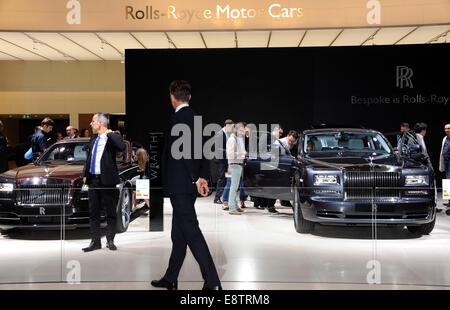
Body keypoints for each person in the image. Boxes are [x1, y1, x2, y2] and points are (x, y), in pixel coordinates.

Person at [151, 80, 221, 291]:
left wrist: (194, 178)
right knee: (179, 234)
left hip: (181, 184)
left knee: (191, 232)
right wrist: (202, 178)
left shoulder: (178, 119)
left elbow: (182, 155)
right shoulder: (196, 118)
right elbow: (201, 151)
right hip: (188, 184)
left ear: (172, 97)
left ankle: (213, 282)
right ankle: (171, 278)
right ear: (189, 97)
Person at [81, 112, 127, 252]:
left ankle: (110, 240)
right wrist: (85, 174)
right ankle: (95, 242)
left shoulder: (112, 137)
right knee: (93, 212)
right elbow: (89, 159)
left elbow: (122, 147)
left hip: (108, 180)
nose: (91, 123)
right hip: (93, 180)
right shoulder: (93, 138)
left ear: (100, 123)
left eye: (93, 121)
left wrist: (109, 133)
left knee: (110, 212)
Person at [226, 122, 247, 215]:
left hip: (237, 165)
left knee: (235, 187)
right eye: (241, 131)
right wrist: (241, 153)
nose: (242, 133)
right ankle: (231, 208)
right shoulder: (232, 139)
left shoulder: (236, 139)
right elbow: (230, 154)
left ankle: (235, 206)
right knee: (233, 188)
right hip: (234, 165)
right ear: (235, 129)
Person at [213, 119, 234, 204]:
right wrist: (229, 151)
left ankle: (221, 197)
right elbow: (218, 148)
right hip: (221, 159)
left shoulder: (227, 133)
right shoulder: (220, 134)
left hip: (225, 159)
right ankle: (217, 198)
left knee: (225, 179)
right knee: (222, 178)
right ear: (227, 125)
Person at [439, 123, 450, 213]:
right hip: (446, 162)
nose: (446, 130)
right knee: (447, 181)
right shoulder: (445, 138)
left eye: (448, 128)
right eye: (445, 128)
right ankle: (449, 201)